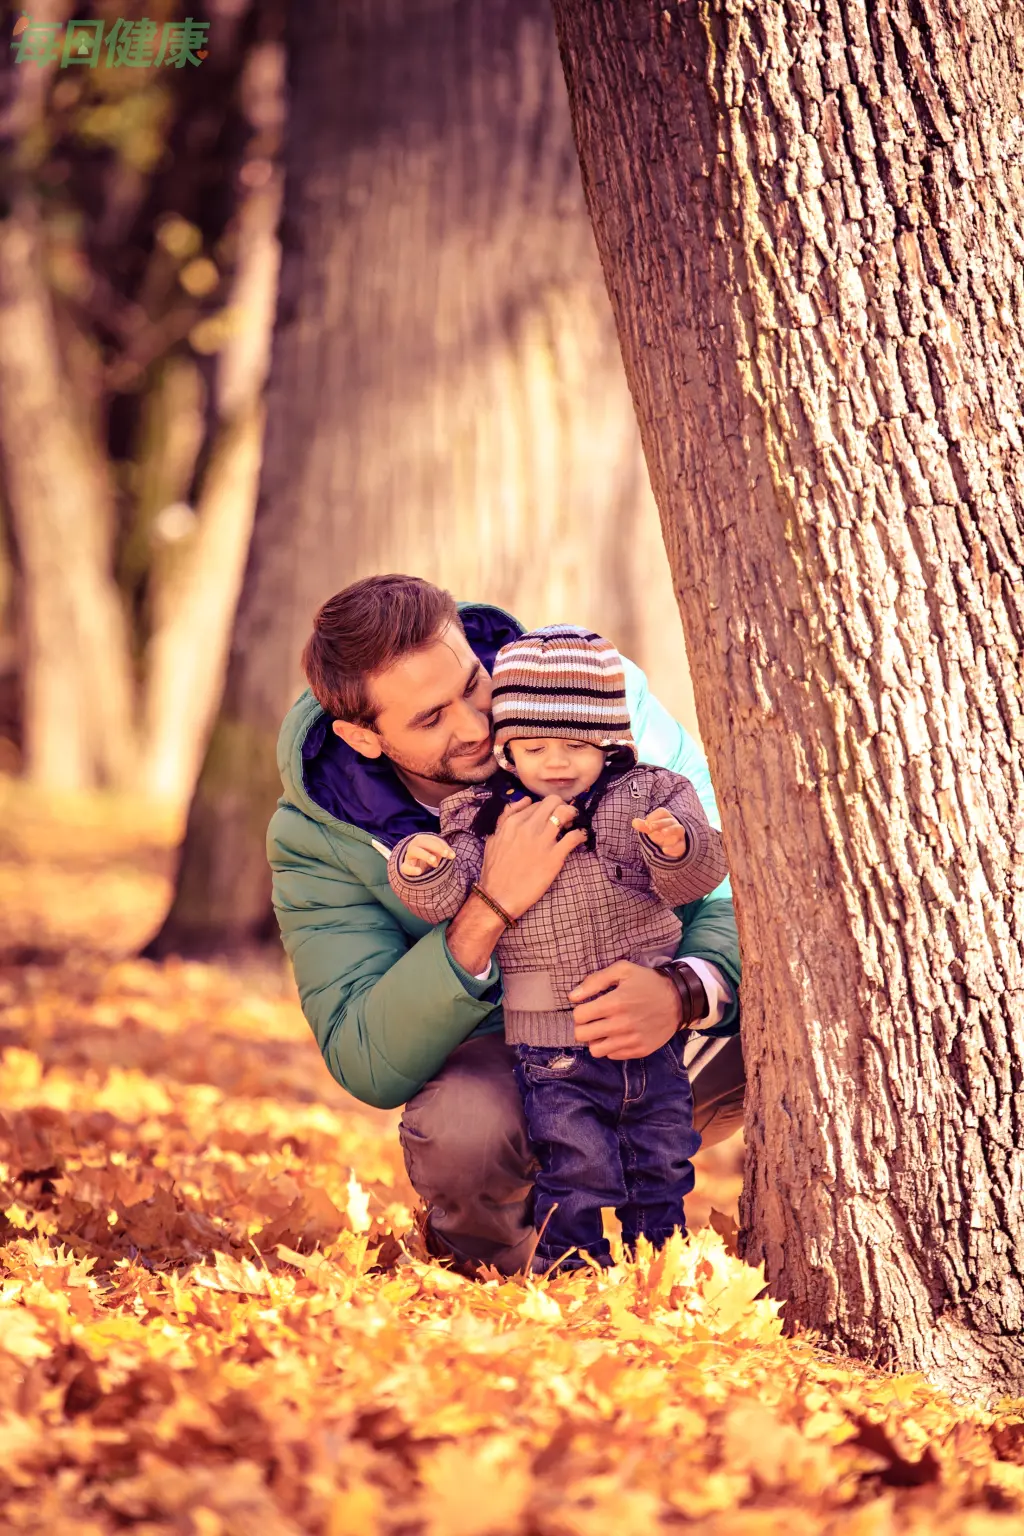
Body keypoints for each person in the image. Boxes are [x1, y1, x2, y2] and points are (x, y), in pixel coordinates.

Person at [268, 574, 744, 1275]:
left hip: (675, 1026)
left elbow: (736, 877)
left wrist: (680, 992)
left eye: (472, 684)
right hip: (519, 1054)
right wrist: (489, 908)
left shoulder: (591, 693)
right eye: (430, 720)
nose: (473, 725)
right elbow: (363, 1054)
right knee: (461, 1128)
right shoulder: (314, 836)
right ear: (362, 739)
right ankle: (518, 1279)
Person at [386, 625, 728, 1272]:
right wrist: (421, 869)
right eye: (533, 746)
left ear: (608, 741)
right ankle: (573, 1270)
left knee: (659, 1154)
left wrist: (675, 845)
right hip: (550, 1039)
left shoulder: (648, 794)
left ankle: (656, 1265)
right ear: (507, 752)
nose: (555, 763)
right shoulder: (482, 815)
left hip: (648, 1026)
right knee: (576, 1161)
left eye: (575, 744)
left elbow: (698, 878)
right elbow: (448, 894)